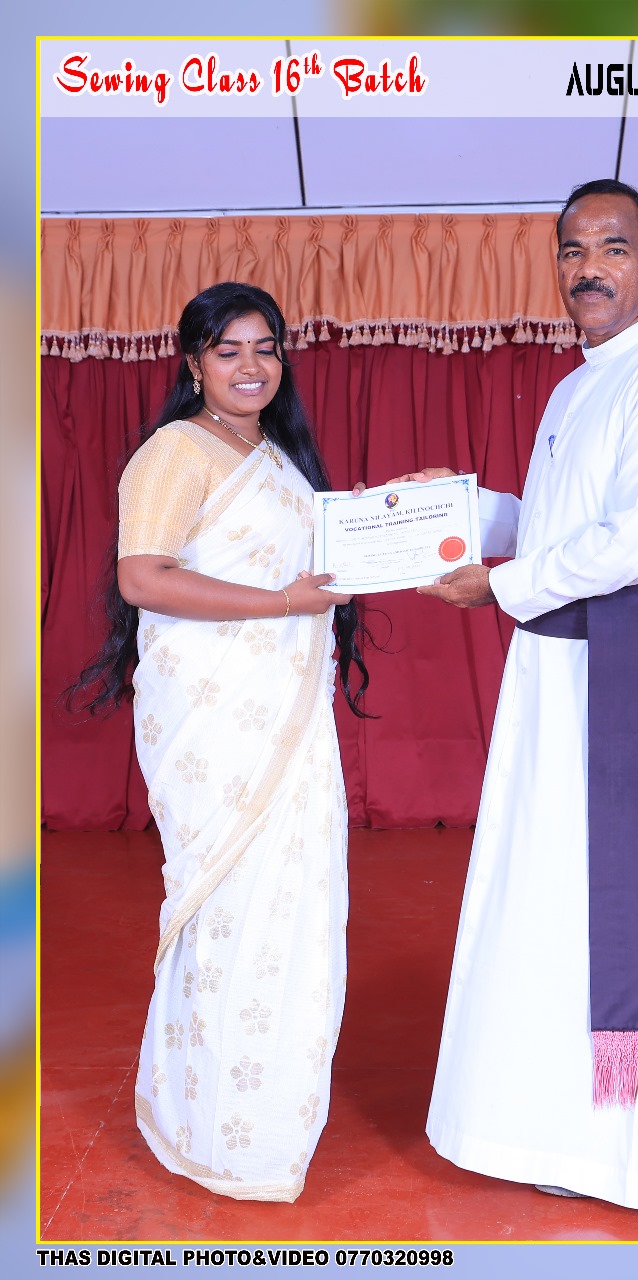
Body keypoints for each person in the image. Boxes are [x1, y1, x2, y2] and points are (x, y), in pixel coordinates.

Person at [396, 180, 638, 1213]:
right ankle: (553, 1124)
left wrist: (497, 586)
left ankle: (632, 1147)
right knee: (550, 892)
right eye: (571, 250)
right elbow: (557, 520)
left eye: (612, 248)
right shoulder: (574, 386)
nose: (588, 269)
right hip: (559, 670)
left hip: (625, 670)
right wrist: (455, 510)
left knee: (626, 902)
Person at [76, 282, 367, 1201]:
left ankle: (261, 1128)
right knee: (227, 911)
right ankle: (205, 1123)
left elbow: (321, 562)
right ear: (193, 363)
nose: (250, 366)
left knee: (293, 915)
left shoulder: (276, 458)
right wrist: (280, 602)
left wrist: (399, 515)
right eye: (228, 349)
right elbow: (142, 577)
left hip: (289, 721)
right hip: (214, 724)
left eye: (265, 347)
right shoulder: (176, 451)